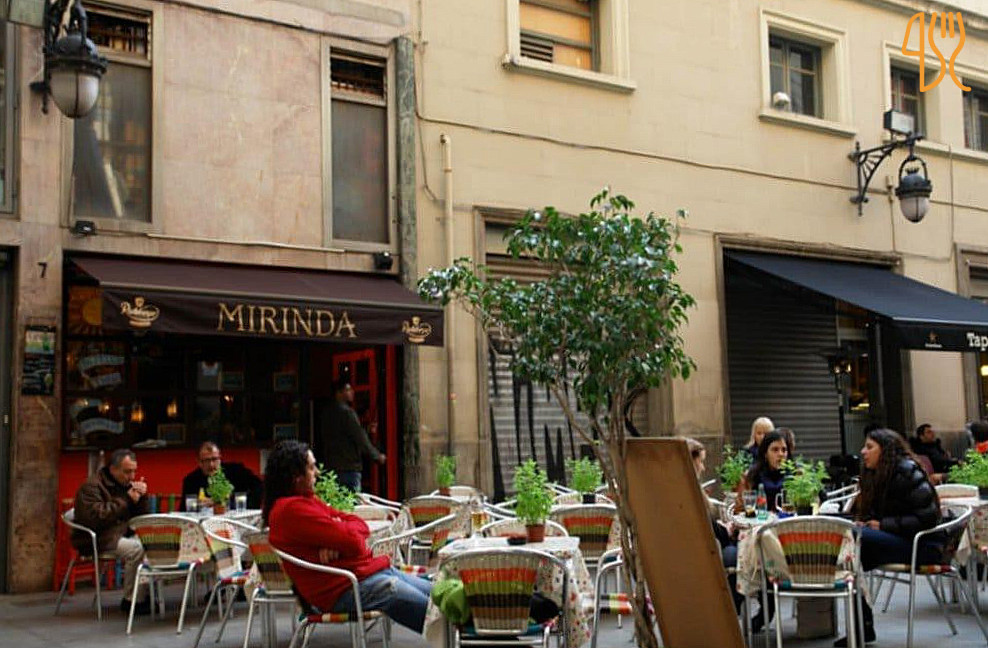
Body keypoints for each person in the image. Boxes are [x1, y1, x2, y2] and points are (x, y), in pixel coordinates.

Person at [265, 440, 432, 632]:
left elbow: (358, 524)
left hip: (364, 574)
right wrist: (342, 536)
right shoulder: (291, 510)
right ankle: (448, 635)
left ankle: (452, 633)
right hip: (340, 590)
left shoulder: (307, 501)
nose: (317, 473)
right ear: (296, 477)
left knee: (435, 593)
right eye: (311, 468)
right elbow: (356, 543)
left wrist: (339, 538)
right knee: (431, 611)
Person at [833, 428, 941, 647]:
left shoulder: (906, 471)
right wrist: (865, 521)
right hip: (898, 539)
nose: (863, 451)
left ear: (886, 450)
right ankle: (862, 627)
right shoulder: (877, 474)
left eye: (869, 447)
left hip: (923, 545)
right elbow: (877, 514)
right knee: (851, 553)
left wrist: (882, 525)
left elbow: (927, 518)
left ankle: (862, 627)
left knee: (853, 541)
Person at [72, 448, 151, 615]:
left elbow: (140, 518)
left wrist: (142, 498)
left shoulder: (126, 484)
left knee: (152, 544)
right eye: (127, 472)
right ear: (113, 469)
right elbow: (96, 518)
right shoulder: (91, 486)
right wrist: (126, 500)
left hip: (121, 533)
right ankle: (132, 601)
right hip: (99, 538)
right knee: (137, 550)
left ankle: (145, 596)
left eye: (134, 471)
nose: (131, 476)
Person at [737, 430, 788, 633]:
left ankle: (767, 608)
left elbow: (818, 497)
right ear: (765, 453)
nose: (781, 454)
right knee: (758, 542)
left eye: (784, 450)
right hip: (758, 529)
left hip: (786, 531)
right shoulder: (752, 475)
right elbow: (742, 508)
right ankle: (766, 606)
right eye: (775, 450)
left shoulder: (796, 474)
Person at [320, 379, 386, 492]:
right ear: (338, 393)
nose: (352, 392)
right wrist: (377, 456)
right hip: (349, 467)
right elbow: (359, 437)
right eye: (348, 390)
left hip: (332, 466)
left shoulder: (326, 413)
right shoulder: (347, 412)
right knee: (353, 501)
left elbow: (342, 435)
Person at [180, 441, 263, 510]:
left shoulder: (237, 471)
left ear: (220, 458)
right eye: (207, 461)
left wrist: (230, 502)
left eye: (214, 459)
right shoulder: (191, 481)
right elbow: (184, 510)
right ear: (199, 462)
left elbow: (260, 487)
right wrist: (198, 505)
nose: (211, 465)